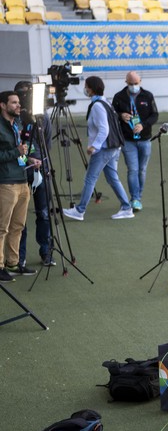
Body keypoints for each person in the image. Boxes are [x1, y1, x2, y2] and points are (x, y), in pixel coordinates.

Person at [62, 76, 134, 221]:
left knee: (90, 178)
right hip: (113, 147)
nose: (85, 89)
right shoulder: (105, 101)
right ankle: (126, 207)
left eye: (86, 86)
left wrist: (94, 146)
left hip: (104, 148)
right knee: (112, 178)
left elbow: (104, 129)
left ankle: (80, 210)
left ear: (91, 88)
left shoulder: (97, 106)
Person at [0, 90, 40, 282]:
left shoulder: (18, 124)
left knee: (18, 226)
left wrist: (29, 157)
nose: (18, 106)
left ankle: (13, 263)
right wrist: (15, 152)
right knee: (2, 227)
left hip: (23, 180)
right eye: (14, 103)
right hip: (6, 183)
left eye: (18, 103)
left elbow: (21, 150)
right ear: (2, 105)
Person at [15, 80, 53, 271]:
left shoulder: (42, 116)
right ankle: (18, 258)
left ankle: (46, 251)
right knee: (19, 216)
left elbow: (47, 143)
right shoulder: (12, 118)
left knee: (44, 213)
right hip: (18, 170)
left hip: (40, 169)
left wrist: (41, 161)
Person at [111, 71, 159, 212]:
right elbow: (112, 113)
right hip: (127, 139)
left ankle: (139, 195)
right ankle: (135, 198)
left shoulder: (147, 96)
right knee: (133, 169)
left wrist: (143, 124)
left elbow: (155, 115)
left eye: (136, 83)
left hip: (145, 138)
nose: (133, 86)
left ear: (140, 82)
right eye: (130, 84)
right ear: (126, 82)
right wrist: (120, 115)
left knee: (142, 170)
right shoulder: (119, 97)